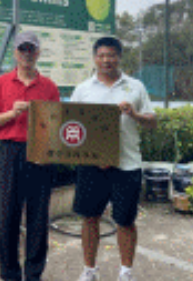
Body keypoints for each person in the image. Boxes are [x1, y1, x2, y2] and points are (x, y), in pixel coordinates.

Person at [72, 36, 157, 281]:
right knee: (90, 218)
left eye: (111, 55)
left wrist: (135, 114)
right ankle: (89, 270)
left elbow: (152, 121)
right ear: (94, 58)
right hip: (91, 165)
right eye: (101, 55)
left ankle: (126, 272)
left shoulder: (135, 87)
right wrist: (94, 156)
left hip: (127, 164)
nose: (106, 60)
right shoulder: (83, 89)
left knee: (125, 221)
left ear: (119, 57)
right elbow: (72, 125)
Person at [0, 31, 60, 281]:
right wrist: (11, 113)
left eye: (31, 49)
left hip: (40, 152)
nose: (27, 54)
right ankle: (9, 273)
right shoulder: (1, 83)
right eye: (22, 49)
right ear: (15, 53)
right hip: (10, 152)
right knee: (8, 214)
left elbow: (57, 122)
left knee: (39, 215)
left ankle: (34, 273)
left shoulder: (49, 86)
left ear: (38, 53)